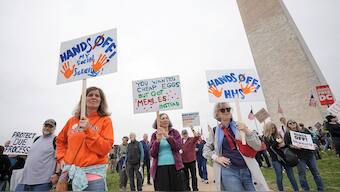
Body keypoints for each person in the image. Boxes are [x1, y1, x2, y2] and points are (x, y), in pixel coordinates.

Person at [56, 87, 114, 191]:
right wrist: (61, 158)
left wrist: (89, 130)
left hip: (93, 175)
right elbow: (60, 141)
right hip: (68, 174)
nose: (94, 97)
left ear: (101, 101)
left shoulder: (105, 120)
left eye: (97, 96)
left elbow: (105, 148)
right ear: (83, 99)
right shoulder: (72, 121)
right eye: (90, 95)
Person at [203, 102, 269, 191]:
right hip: (228, 170)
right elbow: (206, 150)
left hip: (247, 168)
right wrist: (216, 158)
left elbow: (257, 146)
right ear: (217, 114)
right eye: (222, 110)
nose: (226, 111)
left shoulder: (240, 125)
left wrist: (247, 131)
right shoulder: (214, 131)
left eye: (228, 109)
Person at [15, 119, 60, 191]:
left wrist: (57, 174)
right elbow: (28, 157)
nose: (47, 128)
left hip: (42, 181)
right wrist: (10, 146)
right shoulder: (36, 139)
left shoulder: (56, 140)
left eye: (50, 126)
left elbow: (59, 159)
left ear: (54, 128)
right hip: (24, 180)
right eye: (46, 125)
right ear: (43, 126)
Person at [284, 119, 324, 191]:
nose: (292, 124)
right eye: (290, 123)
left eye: (294, 122)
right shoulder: (287, 134)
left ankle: (320, 189)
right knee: (302, 175)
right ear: (288, 125)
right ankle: (306, 189)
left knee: (316, 173)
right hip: (299, 157)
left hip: (309, 155)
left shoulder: (304, 130)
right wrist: (292, 146)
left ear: (296, 123)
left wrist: (314, 144)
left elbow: (312, 138)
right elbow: (287, 144)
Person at [150, 113, 186, 191]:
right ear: (158, 121)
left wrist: (167, 136)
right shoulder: (154, 135)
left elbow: (178, 147)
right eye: (162, 118)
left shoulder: (175, 132)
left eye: (167, 118)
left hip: (175, 167)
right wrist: (157, 141)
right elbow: (152, 153)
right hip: (160, 168)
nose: (165, 120)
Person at [263, 121, 299, 192]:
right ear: (268, 129)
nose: (273, 129)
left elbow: (283, 146)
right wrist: (277, 142)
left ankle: (296, 190)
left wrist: (283, 144)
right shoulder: (266, 138)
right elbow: (270, 148)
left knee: (291, 175)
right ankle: (281, 190)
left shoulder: (277, 135)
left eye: (274, 128)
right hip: (275, 160)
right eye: (271, 128)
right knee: (279, 176)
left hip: (284, 158)